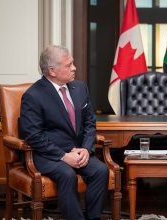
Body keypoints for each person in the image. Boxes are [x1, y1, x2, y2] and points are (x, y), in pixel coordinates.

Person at [19, 45, 109, 220]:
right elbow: (33, 135)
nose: (74, 68)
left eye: (72, 63)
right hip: (49, 155)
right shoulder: (33, 95)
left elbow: (90, 122)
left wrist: (86, 148)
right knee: (67, 174)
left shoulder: (80, 88)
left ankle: (93, 218)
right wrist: (63, 156)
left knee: (101, 171)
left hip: (78, 151)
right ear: (52, 71)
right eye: (68, 65)